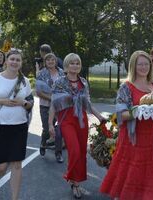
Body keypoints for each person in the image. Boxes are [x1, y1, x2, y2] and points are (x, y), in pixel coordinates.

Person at [100, 50, 153, 200]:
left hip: (152, 139)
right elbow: (121, 114)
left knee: (150, 171)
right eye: (140, 64)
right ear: (133, 66)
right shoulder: (126, 87)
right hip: (133, 139)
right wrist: (140, 111)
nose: (143, 67)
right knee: (131, 171)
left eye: (146, 64)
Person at [48, 53, 105, 199]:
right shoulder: (60, 82)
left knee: (81, 153)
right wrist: (50, 125)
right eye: (72, 63)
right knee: (74, 150)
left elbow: (88, 104)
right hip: (67, 121)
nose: (75, 66)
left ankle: (76, 182)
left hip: (81, 121)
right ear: (66, 66)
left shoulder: (84, 82)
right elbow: (54, 105)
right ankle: (72, 179)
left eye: (77, 63)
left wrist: (99, 117)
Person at [0, 49, 34, 200]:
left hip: (20, 126)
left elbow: (30, 102)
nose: (15, 62)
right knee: (2, 166)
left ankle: (15, 198)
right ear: (6, 61)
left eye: (18, 60)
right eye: (12, 59)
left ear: (21, 63)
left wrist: (23, 102)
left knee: (17, 164)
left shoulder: (24, 80)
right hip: (0, 126)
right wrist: (1, 101)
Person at [35, 53, 64, 163]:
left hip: (60, 106)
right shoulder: (41, 74)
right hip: (45, 106)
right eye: (48, 60)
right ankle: (43, 143)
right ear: (45, 62)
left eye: (52, 60)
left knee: (59, 130)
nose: (50, 62)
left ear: (55, 61)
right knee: (47, 128)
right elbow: (38, 92)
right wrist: (52, 98)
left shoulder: (62, 73)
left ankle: (58, 153)